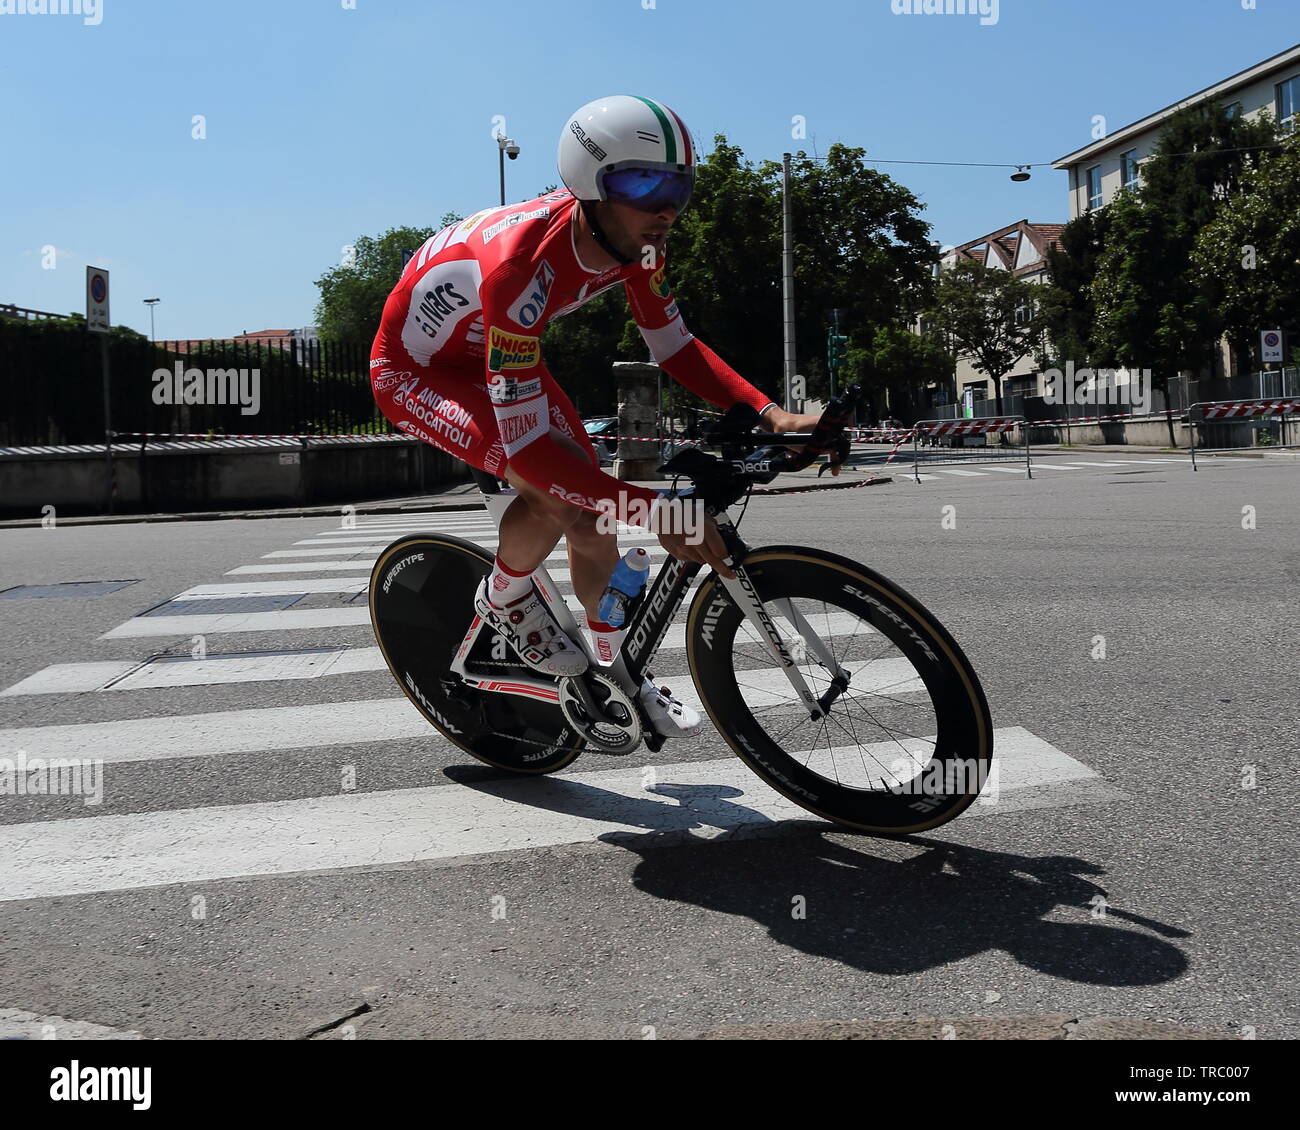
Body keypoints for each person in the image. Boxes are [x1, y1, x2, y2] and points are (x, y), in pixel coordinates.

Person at [370, 95, 823, 737]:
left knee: (590, 513)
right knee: (567, 497)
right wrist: (659, 510)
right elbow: (529, 456)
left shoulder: (640, 242)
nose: (665, 209)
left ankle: (617, 673)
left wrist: (769, 413)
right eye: (643, 185)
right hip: (419, 371)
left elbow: (672, 345)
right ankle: (503, 598)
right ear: (589, 183)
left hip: (501, 353)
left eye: (679, 190)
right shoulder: (520, 267)